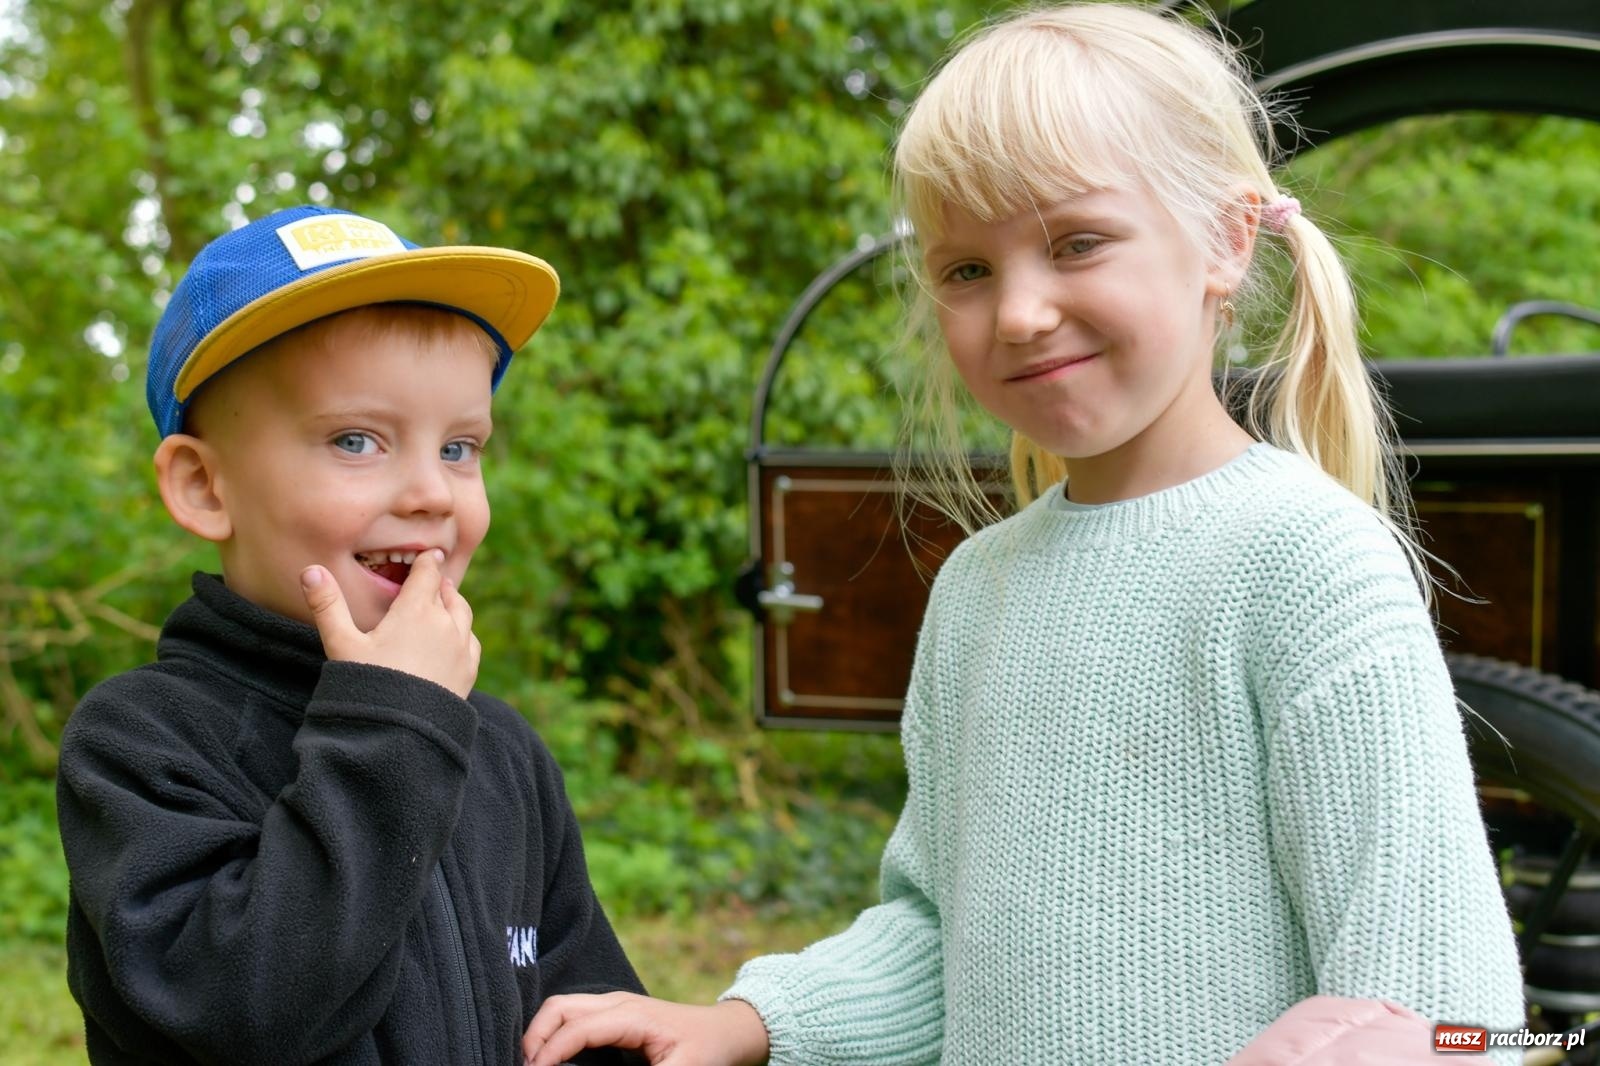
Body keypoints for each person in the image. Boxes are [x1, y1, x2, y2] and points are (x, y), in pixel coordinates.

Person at [521, 5, 1523, 1065]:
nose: (1018, 314)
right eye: (966, 271)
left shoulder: (1306, 563)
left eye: (1076, 242)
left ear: (1225, 242)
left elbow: (1447, 1003)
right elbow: (935, 933)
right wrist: (744, 1021)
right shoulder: (976, 586)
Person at [57, 204, 645, 1064]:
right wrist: (395, 722)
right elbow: (244, 1015)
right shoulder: (142, 743)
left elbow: (589, 1016)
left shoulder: (505, 754)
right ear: (204, 488)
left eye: (459, 448)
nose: (433, 495)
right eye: (358, 439)